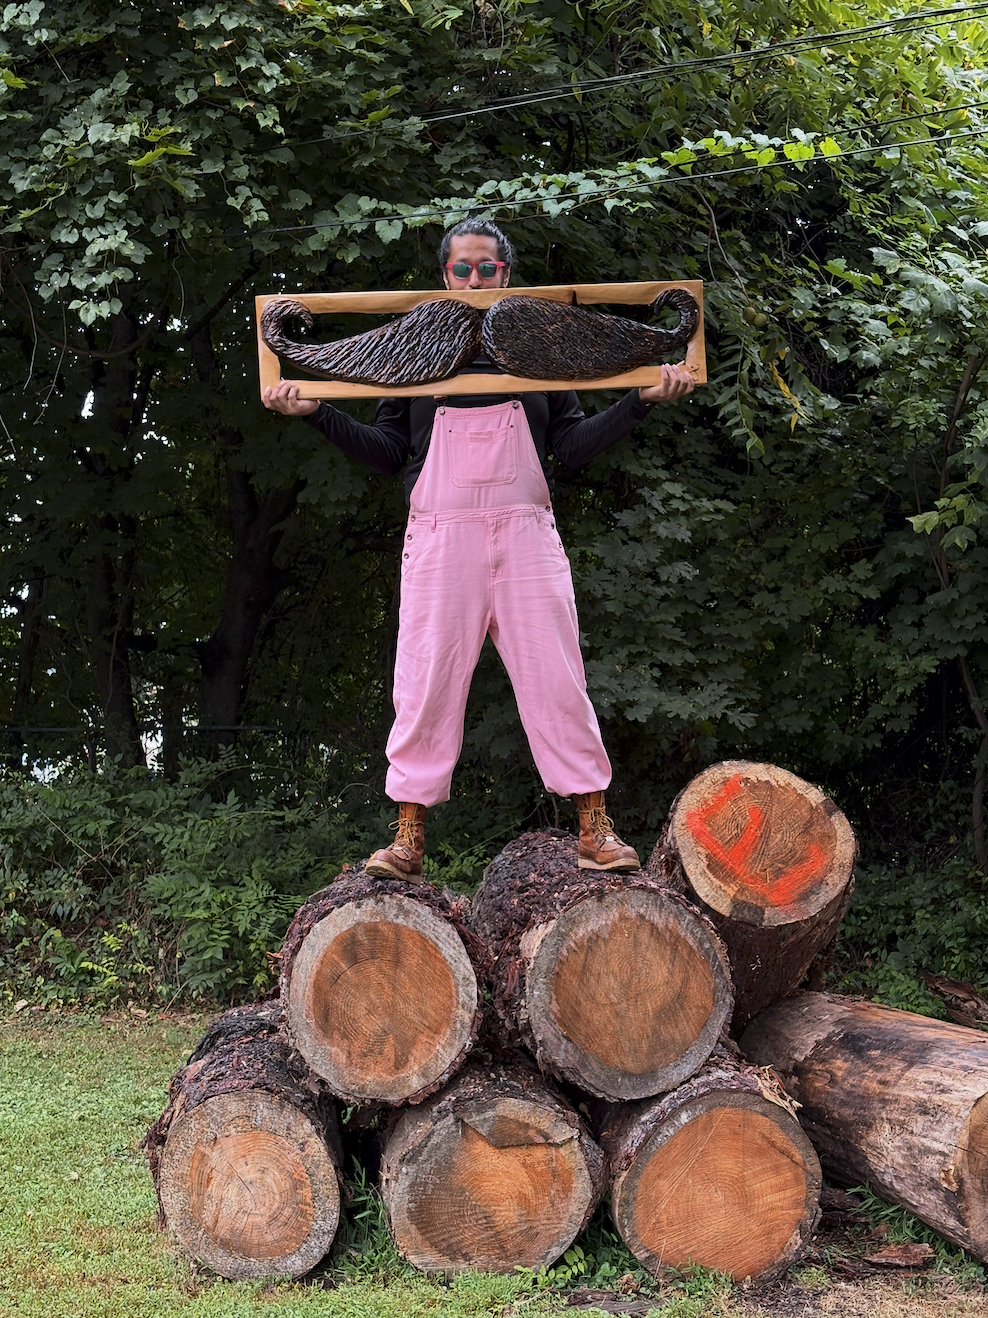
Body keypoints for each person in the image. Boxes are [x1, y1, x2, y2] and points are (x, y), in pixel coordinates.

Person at [263, 220, 695, 881]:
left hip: (526, 534)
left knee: (558, 676)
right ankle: (408, 837)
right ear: (444, 276)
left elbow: (572, 447)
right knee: (425, 681)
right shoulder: (412, 354)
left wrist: (640, 403)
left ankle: (594, 827)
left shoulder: (542, 352)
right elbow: (386, 452)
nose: (473, 280)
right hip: (440, 537)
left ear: (507, 274)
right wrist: (314, 412)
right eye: (461, 269)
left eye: (485, 269)